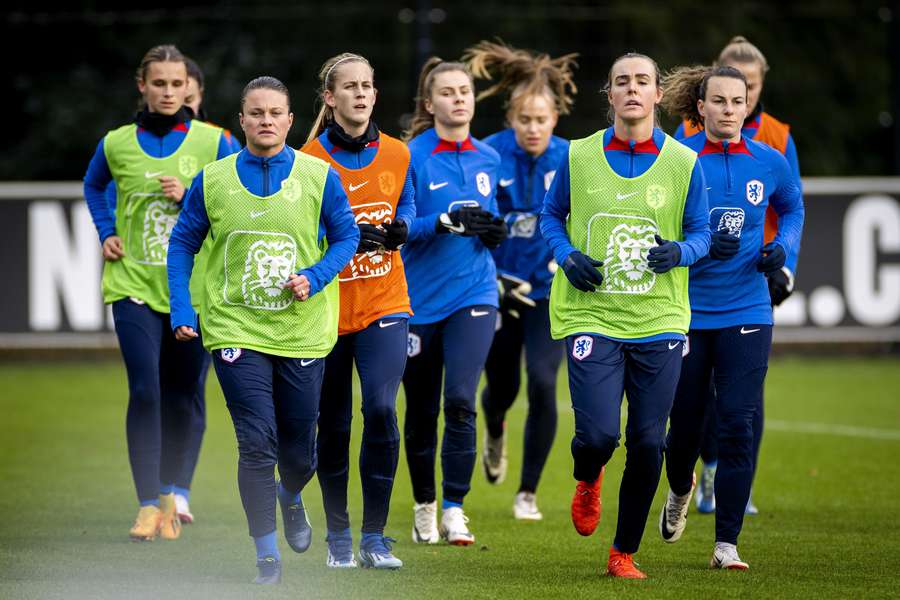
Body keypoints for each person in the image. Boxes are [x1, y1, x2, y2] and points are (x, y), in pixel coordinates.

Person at [167, 76, 359, 584]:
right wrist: (183, 308)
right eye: (256, 113)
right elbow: (183, 243)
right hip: (236, 329)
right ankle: (266, 554)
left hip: (301, 332)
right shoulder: (213, 179)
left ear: (291, 121)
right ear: (242, 120)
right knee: (256, 443)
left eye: (275, 112)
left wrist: (315, 277)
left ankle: (290, 495)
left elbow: (347, 235)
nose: (266, 120)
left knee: (299, 455)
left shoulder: (319, 176)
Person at [541, 52, 710, 579]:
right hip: (591, 316)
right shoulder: (578, 155)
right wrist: (566, 256)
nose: (632, 89)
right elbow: (551, 216)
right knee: (597, 437)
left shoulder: (684, 162)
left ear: (658, 94)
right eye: (621, 82)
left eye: (642, 81)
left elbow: (702, 233)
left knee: (645, 441)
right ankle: (588, 477)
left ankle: (623, 553)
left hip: (658, 318)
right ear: (609, 95)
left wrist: (680, 253)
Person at [82, 44, 234, 541]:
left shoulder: (215, 143)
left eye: (176, 83)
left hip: (191, 292)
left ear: (187, 86)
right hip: (132, 286)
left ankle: (173, 494)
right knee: (145, 389)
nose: (169, 92)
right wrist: (106, 229)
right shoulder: (116, 143)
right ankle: (148, 504)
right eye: (159, 83)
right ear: (142, 86)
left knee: (182, 395)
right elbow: (93, 185)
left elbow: (241, 198)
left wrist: (191, 192)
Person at [658, 65, 803, 570]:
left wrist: (781, 248)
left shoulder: (769, 160)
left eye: (735, 102)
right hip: (686, 312)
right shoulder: (675, 160)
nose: (727, 110)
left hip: (748, 308)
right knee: (686, 430)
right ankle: (678, 490)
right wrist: (690, 246)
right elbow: (654, 221)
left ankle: (727, 545)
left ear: (747, 107)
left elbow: (792, 207)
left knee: (739, 424)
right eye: (717, 101)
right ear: (700, 108)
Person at [300, 52, 414, 570]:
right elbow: (298, 234)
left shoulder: (398, 152)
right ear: (330, 97)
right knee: (335, 424)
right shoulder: (308, 160)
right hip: (327, 309)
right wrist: (342, 239)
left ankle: (375, 537)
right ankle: (338, 537)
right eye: (350, 87)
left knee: (383, 409)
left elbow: (407, 205)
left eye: (368, 85)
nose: (361, 94)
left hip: (386, 303)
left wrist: (402, 229)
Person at [462, 40, 577, 521]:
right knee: (502, 388)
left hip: (551, 294)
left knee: (545, 383)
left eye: (542, 120)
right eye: (524, 119)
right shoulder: (490, 156)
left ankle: (527, 492)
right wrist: (495, 277)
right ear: (511, 118)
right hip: (500, 292)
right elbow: (477, 229)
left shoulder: (573, 159)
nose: (533, 128)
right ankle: (495, 427)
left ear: (555, 119)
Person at [401, 57, 505, 546]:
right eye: (448, 92)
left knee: (461, 401)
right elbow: (402, 230)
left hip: (476, 294)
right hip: (419, 302)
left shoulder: (489, 157)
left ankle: (456, 509)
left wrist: (494, 230)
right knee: (421, 410)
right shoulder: (409, 157)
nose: (459, 98)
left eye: (465, 90)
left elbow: (491, 222)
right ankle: (424, 505)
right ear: (430, 103)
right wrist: (441, 222)